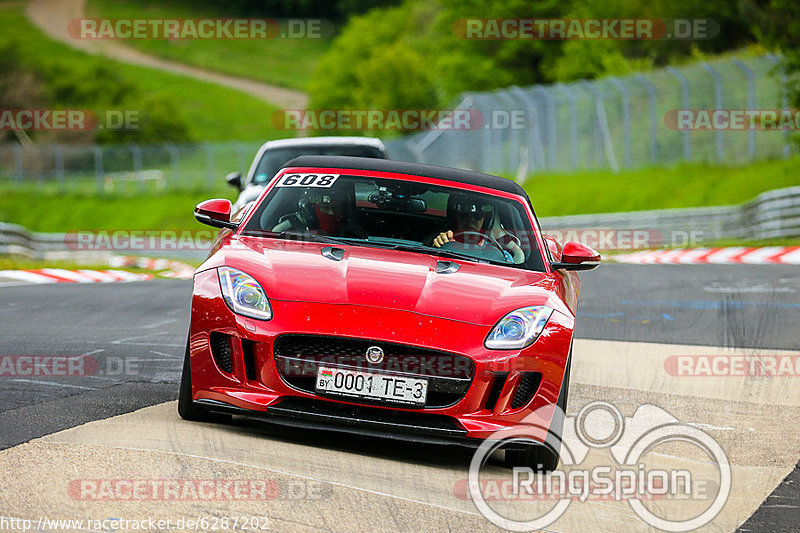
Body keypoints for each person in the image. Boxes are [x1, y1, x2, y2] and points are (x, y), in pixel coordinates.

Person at [431, 195, 524, 263]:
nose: (471, 220)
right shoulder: (444, 242)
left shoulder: (501, 255)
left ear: (485, 221)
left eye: (477, 216)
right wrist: (437, 247)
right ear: (455, 219)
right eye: (464, 215)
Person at [272, 185, 367, 238]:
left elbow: (365, 238)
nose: (331, 210)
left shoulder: (346, 220)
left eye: (337, 201)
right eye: (325, 205)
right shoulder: (303, 218)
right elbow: (275, 232)